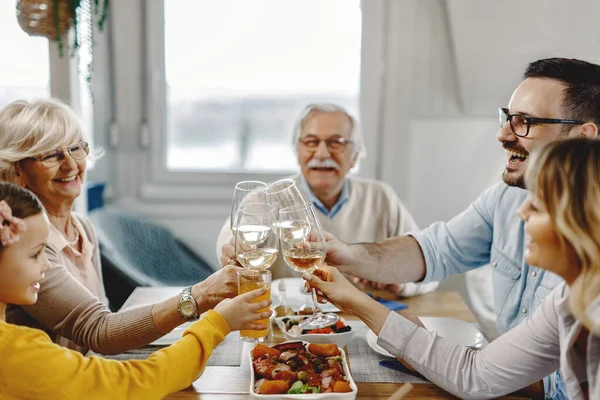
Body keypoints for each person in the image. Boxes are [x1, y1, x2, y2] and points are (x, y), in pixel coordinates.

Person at [321, 58, 600, 397]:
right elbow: (437, 250)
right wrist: (348, 259)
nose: (502, 134)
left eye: (525, 122)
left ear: (584, 138)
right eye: (507, 117)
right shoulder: (565, 295)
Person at [0, 98, 241, 354]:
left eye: (75, 148)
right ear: (18, 171)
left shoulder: (82, 227)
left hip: (86, 371)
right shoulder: (29, 245)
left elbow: (102, 320)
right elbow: (99, 331)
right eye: (51, 154)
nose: (70, 164)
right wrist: (200, 295)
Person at [0, 182, 271, 399]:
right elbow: (140, 381)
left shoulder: (82, 228)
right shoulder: (17, 353)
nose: (46, 264)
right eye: (36, 254)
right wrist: (217, 323)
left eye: (77, 147)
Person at [217, 103, 437, 296]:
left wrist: (400, 283)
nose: (322, 154)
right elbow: (230, 241)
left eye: (336, 142)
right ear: (297, 152)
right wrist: (230, 251)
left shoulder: (381, 198)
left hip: (360, 322)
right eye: (311, 142)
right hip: (288, 326)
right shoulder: (263, 200)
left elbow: (429, 268)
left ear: (355, 155)